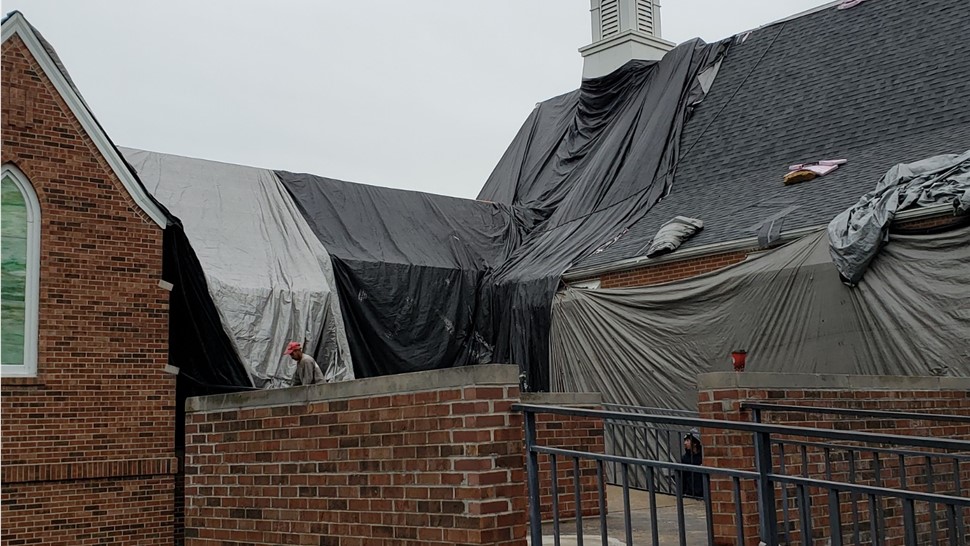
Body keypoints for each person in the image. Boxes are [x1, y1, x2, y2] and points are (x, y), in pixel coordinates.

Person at [679, 429, 704, 498]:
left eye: (687, 441)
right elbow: (683, 477)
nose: (685, 443)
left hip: (703, 492)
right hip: (690, 492)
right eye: (685, 441)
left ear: (695, 443)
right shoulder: (685, 458)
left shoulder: (703, 457)